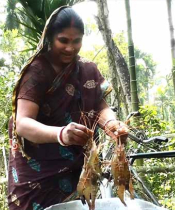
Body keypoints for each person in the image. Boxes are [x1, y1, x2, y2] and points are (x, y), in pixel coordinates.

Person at [7, 6, 128, 210]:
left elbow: (100, 106)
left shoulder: (88, 69)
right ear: (50, 38)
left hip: (78, 169)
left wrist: (112, 124)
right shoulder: (36, 72)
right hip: (37, 174)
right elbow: (23, 123)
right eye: (63, 40)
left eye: (77, 41)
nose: (70, 48)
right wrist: (62, 134)